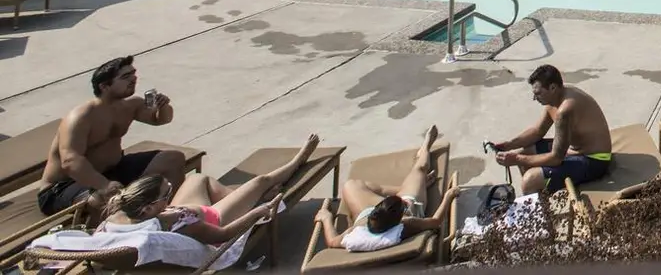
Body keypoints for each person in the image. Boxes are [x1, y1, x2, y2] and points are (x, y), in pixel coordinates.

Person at [93, 135, 317, 242]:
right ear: (149, 208)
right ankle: (296, 162)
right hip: (214, 217)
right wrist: (256, 213)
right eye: (166, 194)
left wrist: (171, 206)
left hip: (188, 209)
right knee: (259, 182)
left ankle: (242, 195)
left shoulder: (117, 219)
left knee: (197, 180)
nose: (170, 194)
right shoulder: (182, 226)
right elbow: (223, 236)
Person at [39, 56, 187, 217]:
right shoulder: (81, 116)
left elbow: (160, 120)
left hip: (112, 171)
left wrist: (163, 107)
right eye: (125, 77)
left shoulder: (131, 105)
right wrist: (104, 184)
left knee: (173, 159)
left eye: (133, 74)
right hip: (64, 187)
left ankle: (172, 217)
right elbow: (70, 161)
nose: (133, 79)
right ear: (104, 86)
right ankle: (118, 234)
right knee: (103, 199)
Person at [316, 126, 447, 253]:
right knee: (421, 168)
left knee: (351, 185)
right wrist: (449, 195)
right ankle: (425, 148)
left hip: (367, 216)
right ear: (400, 219)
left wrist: (326, 218)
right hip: (397, 208)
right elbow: (435, 222)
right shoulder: (406, 225)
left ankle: (407, 187)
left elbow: (332, 241)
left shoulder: (353, 236)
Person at [489, 66, 614, 195]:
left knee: (530, 180)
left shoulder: (565, 111)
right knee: (527, 151)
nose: (534, 98)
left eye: (538, 93)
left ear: (553, 88)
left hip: (594, 160)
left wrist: (516, 159)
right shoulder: (558, 95)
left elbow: (556, 158)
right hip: (574, 150)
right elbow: (538, 131)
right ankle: (540, 195)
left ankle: (537, 204)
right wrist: (509, 145)